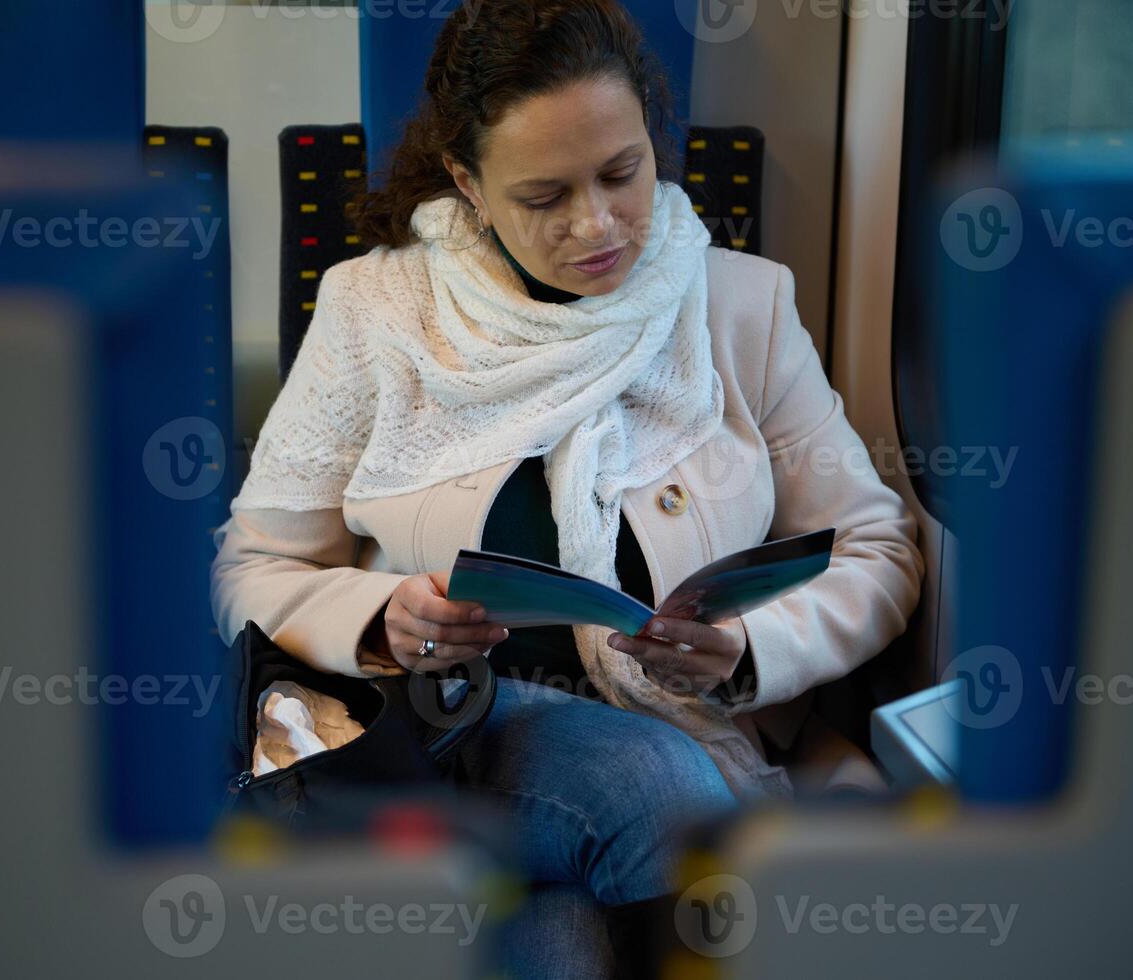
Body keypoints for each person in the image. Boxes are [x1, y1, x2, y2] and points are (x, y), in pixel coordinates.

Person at [210, 1, 922, 974]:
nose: (598, 225)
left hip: (686, 726)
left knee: (558, 941)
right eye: (545, 195)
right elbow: (251, 566)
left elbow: (877, 549)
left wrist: (747, 648)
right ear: (468, 181)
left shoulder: (741, 307)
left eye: (622, 174)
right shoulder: (375, 310)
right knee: (652, 783)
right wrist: (385, 618)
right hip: (449, 734)